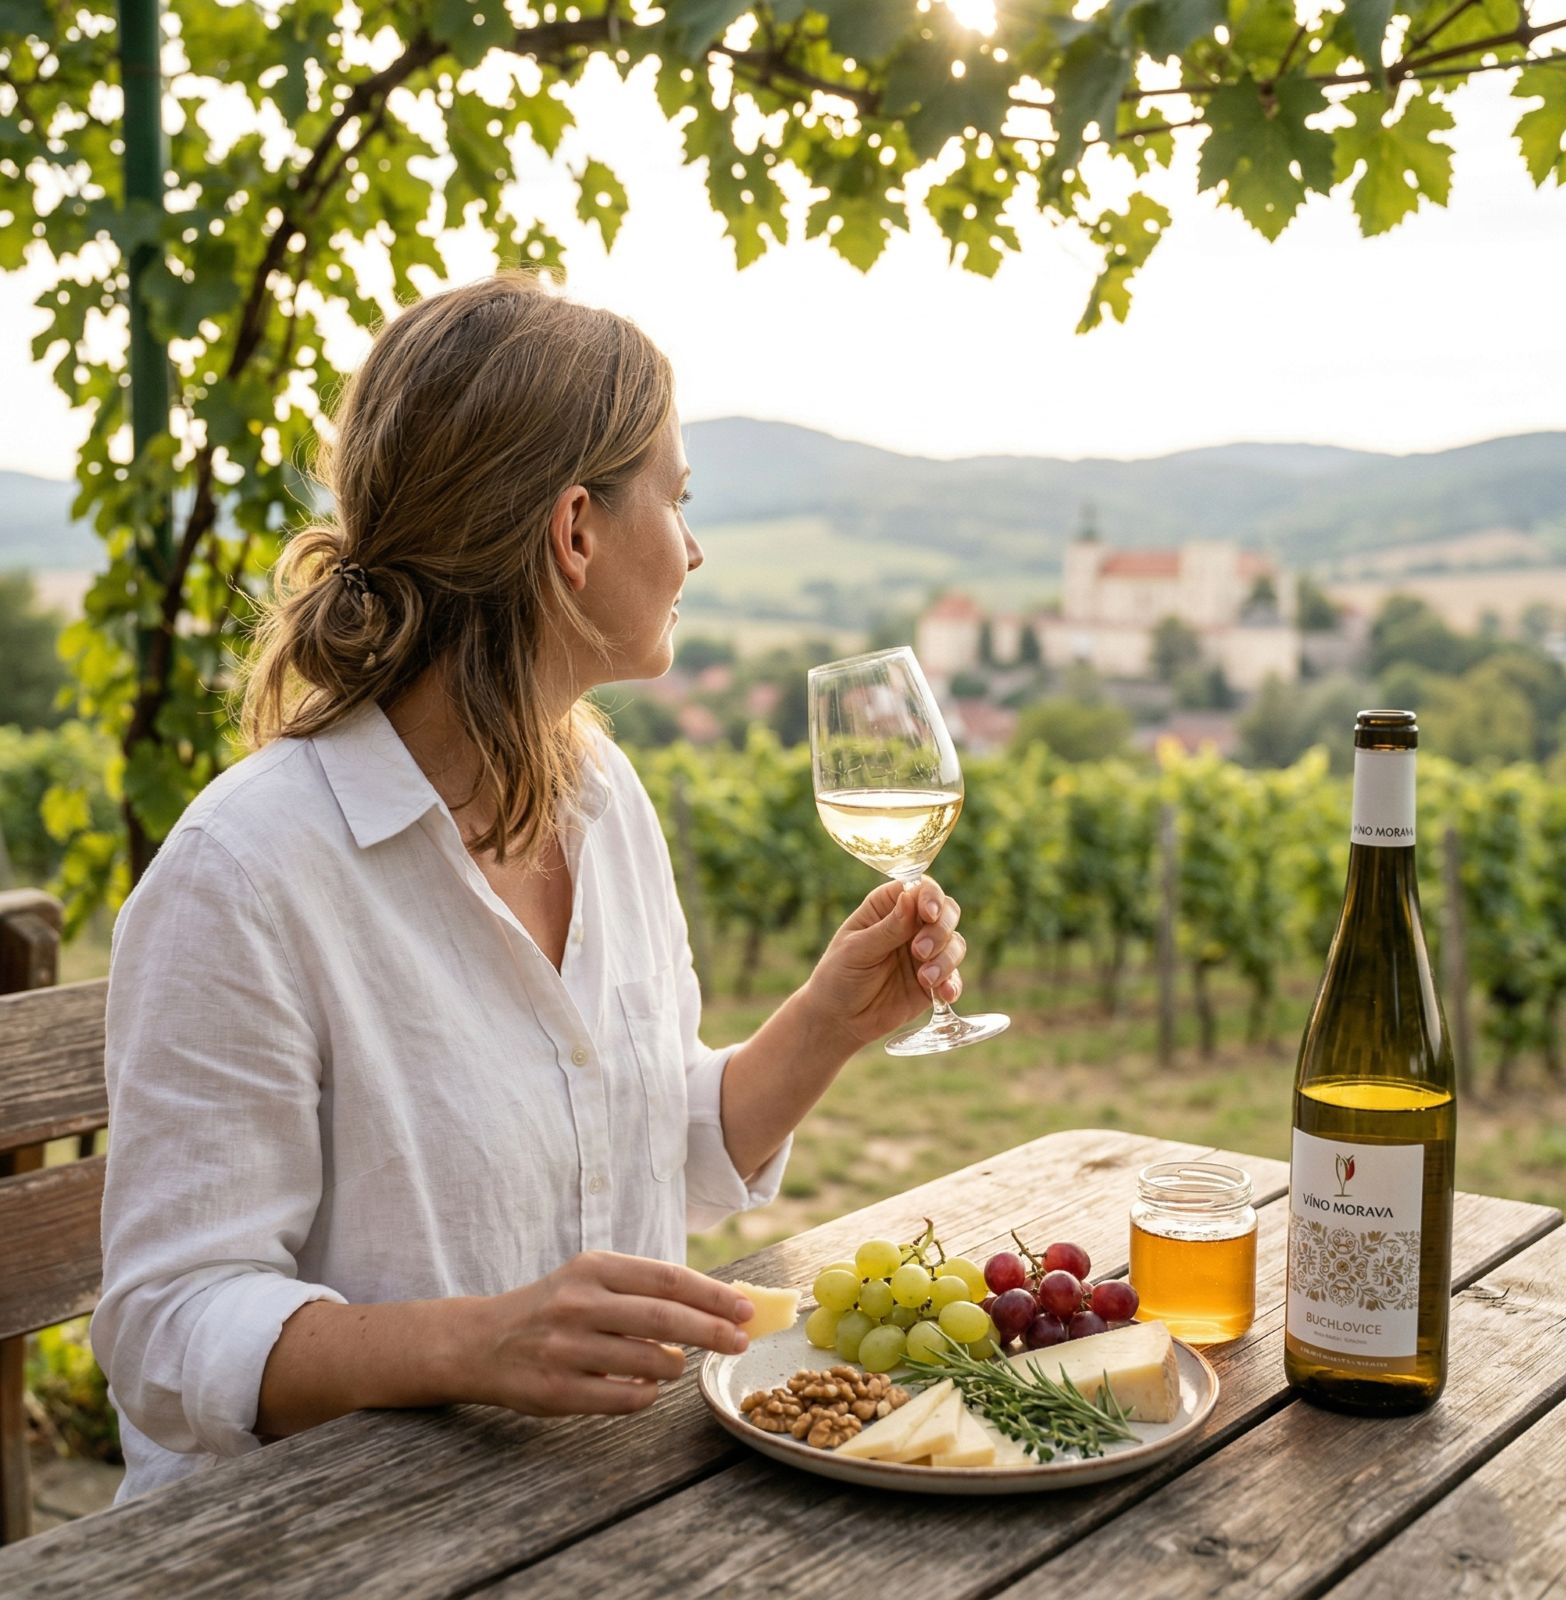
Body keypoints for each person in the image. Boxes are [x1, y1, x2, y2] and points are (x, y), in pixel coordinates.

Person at [90, 272, 969, 1504]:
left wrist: (829, 1021)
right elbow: (167, 1326)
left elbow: (638, 1148)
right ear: (574, 533)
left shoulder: (601, 799)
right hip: (321, 1544)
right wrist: (471, 1341)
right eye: (675, 496)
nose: (694, 546)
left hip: (581, 1510)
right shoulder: (244, 874)